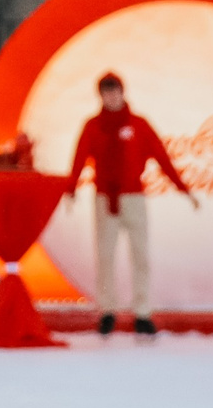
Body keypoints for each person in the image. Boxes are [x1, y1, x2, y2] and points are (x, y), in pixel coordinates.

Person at [64, 71, 197, 337]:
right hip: (105, 198)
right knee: (105, 257)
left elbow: (161, 156)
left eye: (114, 91)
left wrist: (182, 188)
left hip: (134, 197)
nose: (111, 96)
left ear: (122, 93)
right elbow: (79, 157)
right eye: (106, 92)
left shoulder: (138, 125)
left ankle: (142, 312)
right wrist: (71, 188)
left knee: (140, 255)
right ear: (101, 96)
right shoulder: (94, 126)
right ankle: (107, 311)